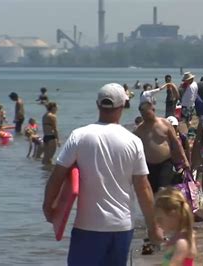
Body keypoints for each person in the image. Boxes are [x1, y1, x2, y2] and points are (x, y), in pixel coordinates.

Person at [42, 83, 162, 266]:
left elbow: (57, 176)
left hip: (87, 226)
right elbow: (143, 188)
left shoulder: (79, 136)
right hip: (122, 227)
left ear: (98, 105)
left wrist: (48, 207)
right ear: (123, 106)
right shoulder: (133, 141)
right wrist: (153, 227)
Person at [134, 102, 190, 193]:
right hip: (148, 166)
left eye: (148, 114)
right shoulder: (138, 130)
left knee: (162, 190)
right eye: (143, 115)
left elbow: (176, 143)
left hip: (165, 163)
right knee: (152, 192)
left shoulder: (165, 123)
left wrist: (185, 160)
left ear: (153, 110)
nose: (146, 117)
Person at [155, 188, 197, 266]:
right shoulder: (177, 238)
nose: (158, 223)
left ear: (173, 215)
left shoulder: (181, 243)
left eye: (160, 219)